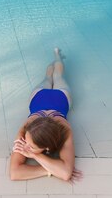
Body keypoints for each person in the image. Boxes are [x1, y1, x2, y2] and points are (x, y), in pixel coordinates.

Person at [9, 48, 82, 182]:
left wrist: (35, 156)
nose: (25, 146)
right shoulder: (28, 131)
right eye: (27, 143)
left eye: (31, 147)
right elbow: (14, 174)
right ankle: (56, 58)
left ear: (46, 148)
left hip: (61, 97)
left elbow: (65, 174)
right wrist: (50, 169)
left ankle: (57, 56)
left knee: (57, 76)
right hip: (40, 97)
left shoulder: (65, 131)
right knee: (50, 76)